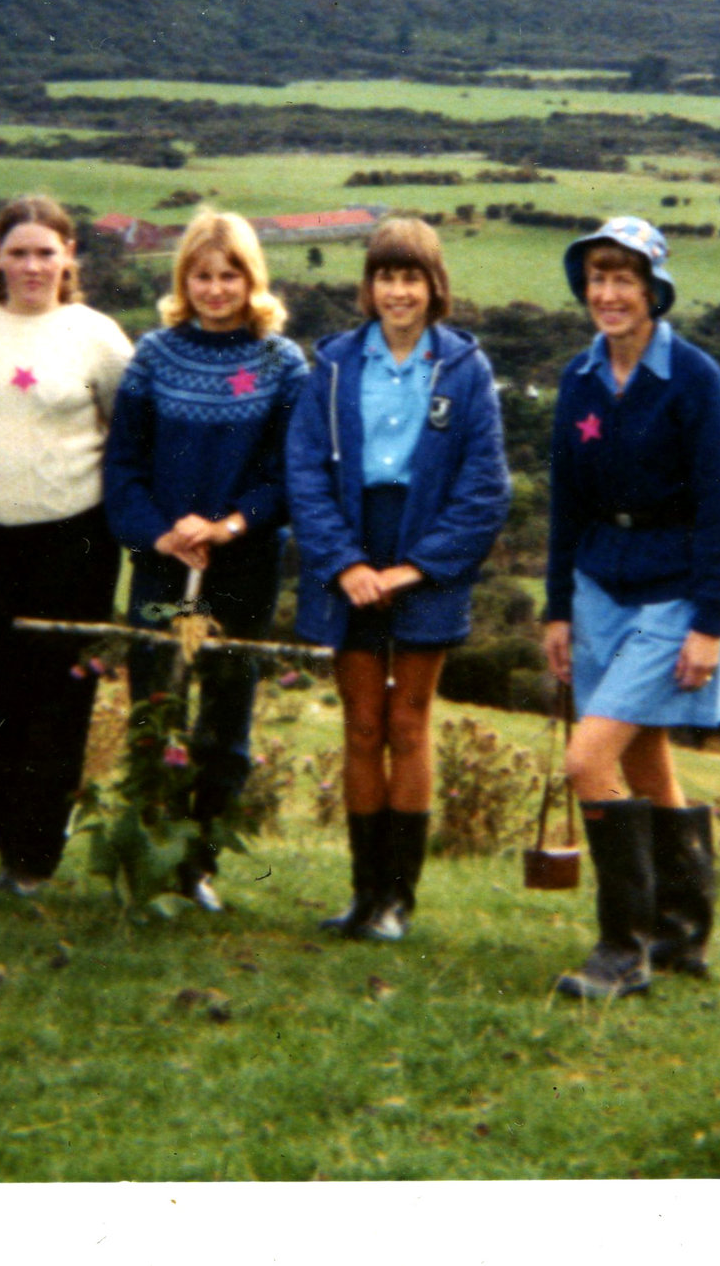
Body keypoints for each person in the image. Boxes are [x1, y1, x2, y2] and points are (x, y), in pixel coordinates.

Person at [287, 217, 512, 940]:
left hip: (428, 557)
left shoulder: (467, 369)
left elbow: (485, 488)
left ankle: (397, 902)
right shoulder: (332, 366)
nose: (398, 291)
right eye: (386, 276)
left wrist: (416, 568)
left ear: (434, 285)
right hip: (349, 550)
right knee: (361, 725)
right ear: (370, 285)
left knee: (409, 723)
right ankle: (361, 894)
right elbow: (303, 473)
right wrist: (347, 563)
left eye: (411, 277)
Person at [542, 215, 720, 1000]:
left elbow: (719, 510)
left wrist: (710, 625)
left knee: (589, 758)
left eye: (625, 278)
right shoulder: (577, 381)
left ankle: (623, 950)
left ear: (654, 289)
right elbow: (564, 502)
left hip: (672, 592)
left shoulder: (695, 379)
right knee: (646, 754)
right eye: (598, 276)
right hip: (597, 588)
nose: (609, 293)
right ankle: (681, 934)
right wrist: (558, 608)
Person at [103, 209, 308, 912]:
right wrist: (159, 533)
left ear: (253, 279)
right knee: (157, 704)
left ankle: (199, 863)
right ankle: (148, 853)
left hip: (243, 565)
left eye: (230, 275)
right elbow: (123, 463)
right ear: (182, 279)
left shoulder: (281, 363)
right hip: (165, 563)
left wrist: (228, 524)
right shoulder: (155, 354)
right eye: (202, 274)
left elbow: (290, 473)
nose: (216, 288)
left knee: (227, 718)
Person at [0, 197, 133, 894]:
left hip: (72, 543)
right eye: (18, 251)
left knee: (56, 702)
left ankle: (33, 858)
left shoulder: (98, 336)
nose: (31, 265)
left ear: (69, 256)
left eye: (44, 252)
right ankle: (14, 840)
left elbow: (130, 429)